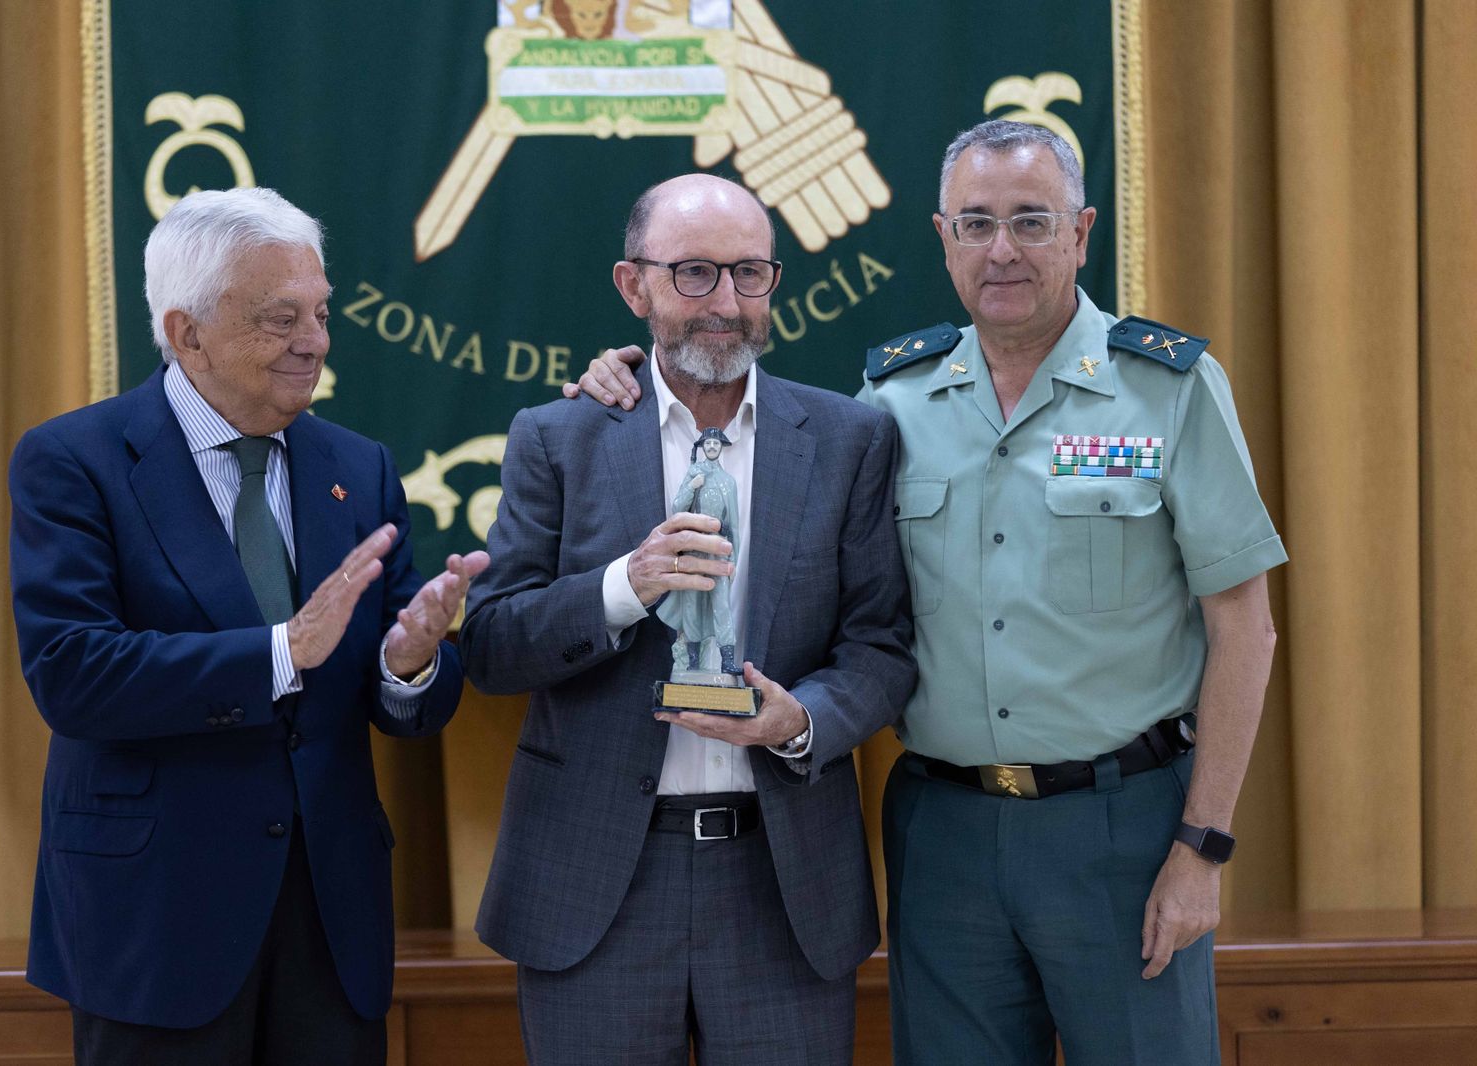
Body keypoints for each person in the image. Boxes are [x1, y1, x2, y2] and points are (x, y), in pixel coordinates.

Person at [567, 120, 1287, 1065]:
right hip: (944, 834)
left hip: (1122, 829)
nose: (1002, 250)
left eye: (1032, 222)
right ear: (942, 238)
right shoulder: (887, 406)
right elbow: (764, 471)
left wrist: (1204, 845)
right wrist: (627, 372)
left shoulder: (1169, 390)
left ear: (1082, 232)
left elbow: (1246, 627)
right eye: (976, 223)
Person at [9, 187, 488, 1065]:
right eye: (281, 319)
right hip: (155, 920)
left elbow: (400, 698)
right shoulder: (74, 460)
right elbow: (73, 674)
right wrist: (281, 652)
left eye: (319, 312)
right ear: (187, 331)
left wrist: (410, 663)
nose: (316, 341)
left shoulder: (359, 466)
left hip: (330, 920)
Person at [460, 173, 915, 1064]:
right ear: (635, 287)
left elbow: (882, 644)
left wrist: (804, 721)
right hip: (600, 887)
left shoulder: (848, 440)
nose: (726, 303)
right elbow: (490, 646)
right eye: (695, 274)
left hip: (782, 888)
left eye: (750, 274)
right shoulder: (561, 436)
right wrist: (624, 586)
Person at [659, 427, 741, 674]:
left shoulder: (728, 481)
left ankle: (727, 661)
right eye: (709, 443)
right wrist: (692, 486)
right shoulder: (694, 472)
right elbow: (678, 507)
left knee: (722, 607)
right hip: (694, 548)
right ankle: (693, 662)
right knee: (692, 605)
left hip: (718, 549)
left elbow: (734, 523)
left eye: (716, 443)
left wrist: (733, 559)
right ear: (703, 447)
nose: (713, 447)